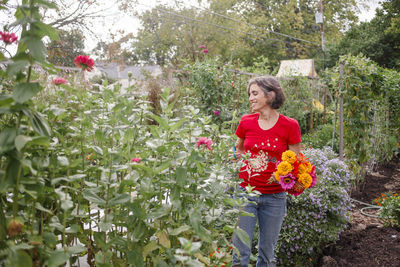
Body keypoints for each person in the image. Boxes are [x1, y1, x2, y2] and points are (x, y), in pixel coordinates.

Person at [232, 76, 301, 267]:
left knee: (267, 255)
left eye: (255, 93)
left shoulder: (290, 125)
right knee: (240, 252)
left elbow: (295, 159)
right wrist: (240, 162)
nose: (250, 98)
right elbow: (239, 149)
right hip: (246, 193)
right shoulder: (246, 122)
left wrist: (285, 176)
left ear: (270, 95)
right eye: (249, 94)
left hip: (274, 197)